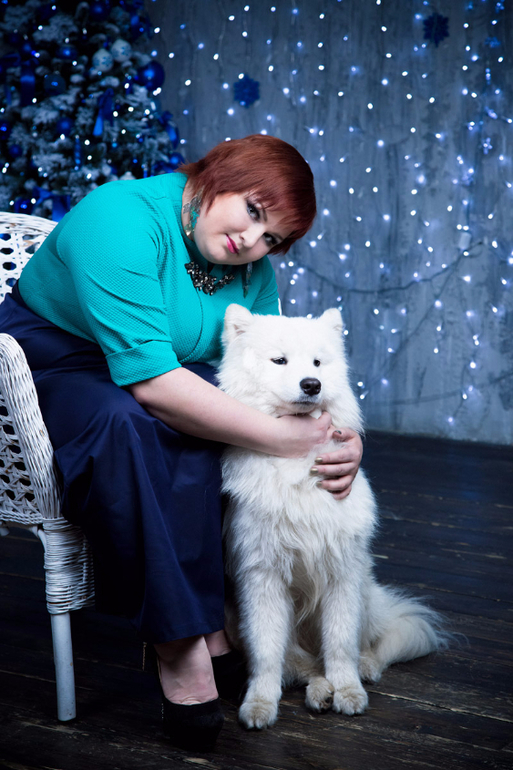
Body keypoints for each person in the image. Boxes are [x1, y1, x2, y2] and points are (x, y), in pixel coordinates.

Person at [0, 134, 363, 750]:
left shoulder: (252, 271)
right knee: (130, 424)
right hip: (55, 364)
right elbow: (153, 385)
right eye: (253, 211)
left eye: (272, 237)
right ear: (220, 174)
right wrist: (286, 439)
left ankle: (208, 619)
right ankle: (179, 643)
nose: (252, 241)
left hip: (163, 374)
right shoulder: (118, 217)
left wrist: (338, 439)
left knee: (203, 425)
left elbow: (264, 377)